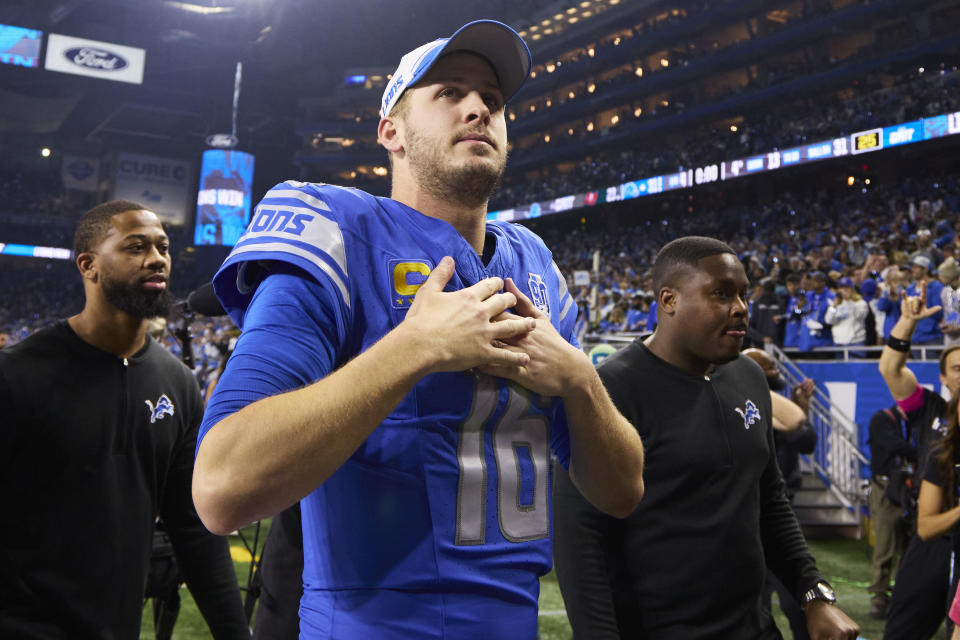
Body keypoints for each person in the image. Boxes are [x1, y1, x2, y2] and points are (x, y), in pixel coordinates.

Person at [193, 20, 645, 639]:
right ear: (392, 132)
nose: (479, 107)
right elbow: (221, 487)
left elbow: (622, 492)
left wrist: (580, 382)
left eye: (492, 97)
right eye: (449, 92)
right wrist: (415, 347)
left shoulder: (534, 266)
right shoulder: (339, 232)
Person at [553, 236, 859, 639]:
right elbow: (579, 540)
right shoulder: (609, 390)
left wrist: (813, 593)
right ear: (669, 300)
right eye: (721, 294)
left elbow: (770, 500)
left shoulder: (748, 377)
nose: (740, 308)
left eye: (743, 294)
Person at [0, 200, 248, 638]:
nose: (157, 259)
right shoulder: (18, 374)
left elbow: (193, 527)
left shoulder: (177, 383)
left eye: (163, 247)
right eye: (135, 248)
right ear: (89, 266)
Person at [878, 281, 960, 639]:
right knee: (902, 632)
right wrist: (907, 322)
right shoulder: (929, 409)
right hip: (930, 542)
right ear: (942, 377)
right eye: (957, 368)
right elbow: (891, 370)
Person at [743, 347, 818, 640]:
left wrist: (802, 409)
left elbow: (805, 439)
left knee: (798, 598)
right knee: (752, 605)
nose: (776, 372)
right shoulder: (738, 402)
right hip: (746, 521)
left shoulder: (782, 406)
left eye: (774, 366)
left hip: (782, 512)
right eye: (768, 367)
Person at [866, 404, 916, 620]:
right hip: (885, 489)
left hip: (906, 490)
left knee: (910, 547)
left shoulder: (908, 424)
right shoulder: (882, 419)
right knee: (885, 546)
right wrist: (921, 453)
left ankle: (903, 596)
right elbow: (894, 445)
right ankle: (879, 598)